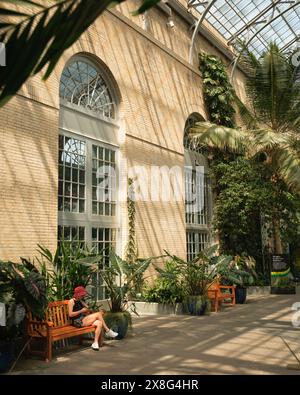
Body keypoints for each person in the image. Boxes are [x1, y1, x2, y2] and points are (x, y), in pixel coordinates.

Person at [68, 286, 118, 350]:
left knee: (99, 323)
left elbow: (88, 308)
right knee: (98, 314)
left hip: (83, 319)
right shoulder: (71, 301)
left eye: (83, 295)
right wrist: (81, 311)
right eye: (81, 295)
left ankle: (95, 343)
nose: (82, 296)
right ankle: (107, 331)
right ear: (77, 294)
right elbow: (70, 314)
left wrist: (87, 307)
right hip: (77, 321)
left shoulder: (80, 301)